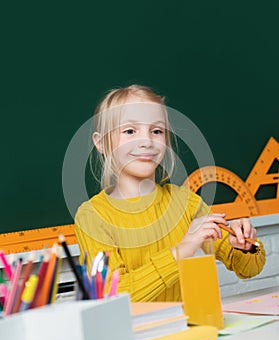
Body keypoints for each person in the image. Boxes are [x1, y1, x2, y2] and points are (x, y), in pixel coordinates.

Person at [74, 84, 266, 302]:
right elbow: (112, 297)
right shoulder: (92, 216)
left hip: (189, 331)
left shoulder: (185, 202)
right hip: (134, 335)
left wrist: (244, 245)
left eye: (157, 131)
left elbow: (248, 269)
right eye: (129, 131)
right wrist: (181, 251)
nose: (146, 141)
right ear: (101, 143)